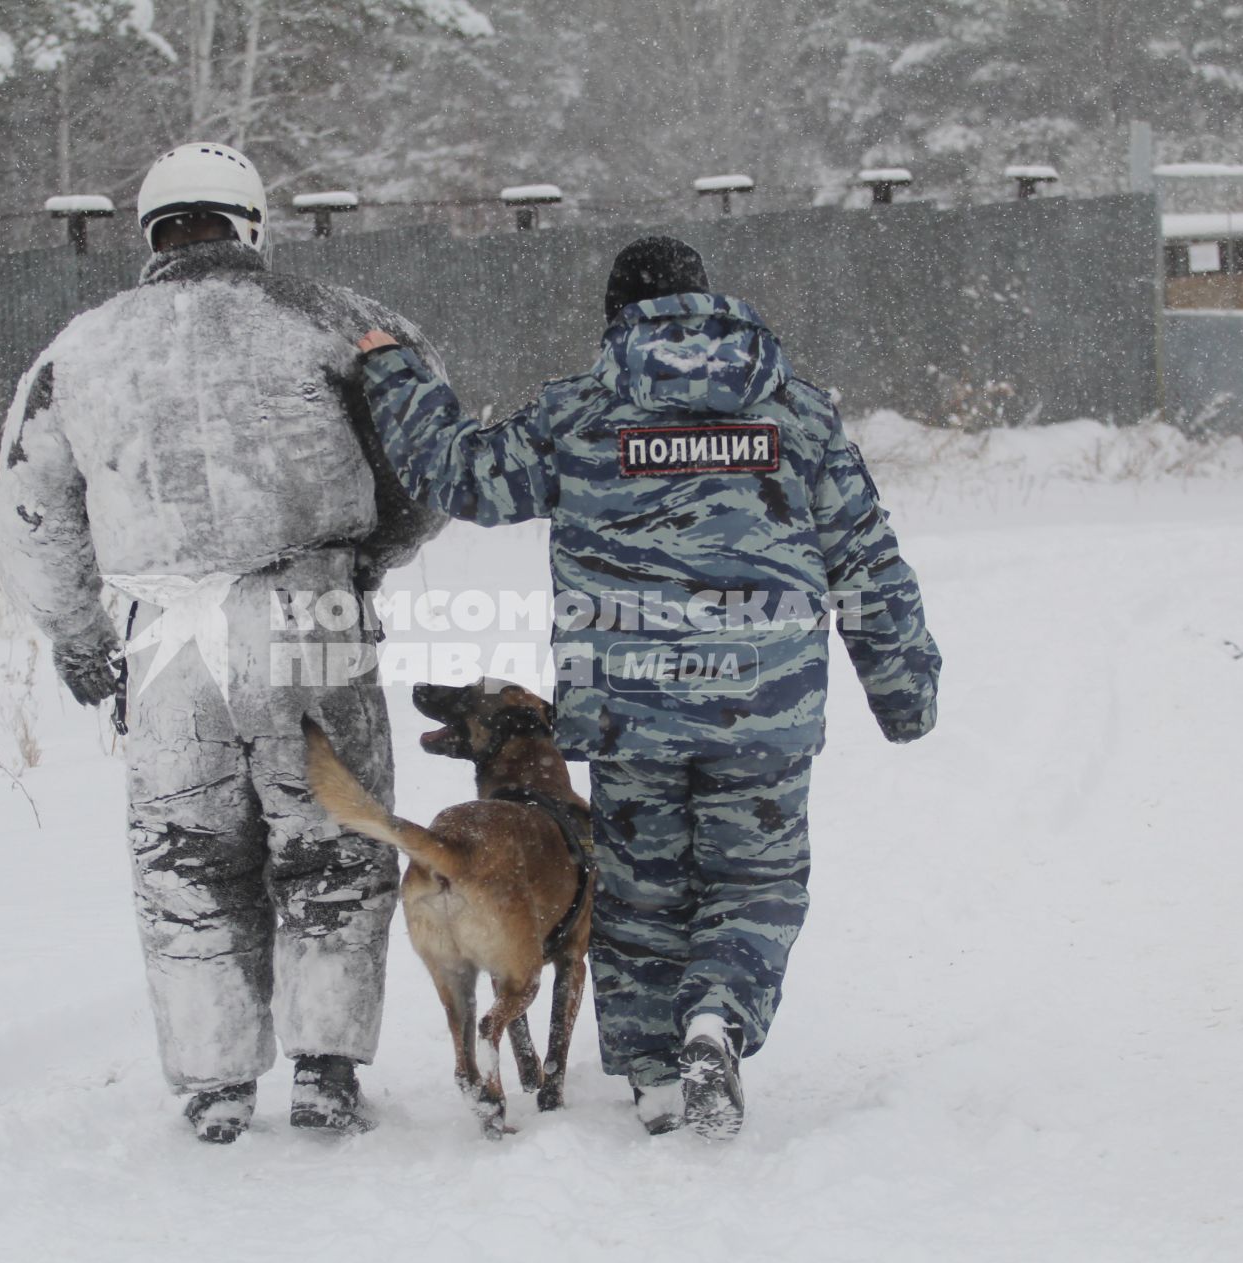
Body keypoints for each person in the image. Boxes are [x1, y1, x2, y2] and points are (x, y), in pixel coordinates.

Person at [354, 236, 940, 1141]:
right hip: (765, 709)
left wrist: (390, 370)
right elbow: (866, 561)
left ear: (616, 317)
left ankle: (657, 1076)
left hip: (630, 711)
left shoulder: (583, 411)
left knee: (641, 894)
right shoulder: (799, 413)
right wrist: (903, 689)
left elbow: (457, 472)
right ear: (708, 301)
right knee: (756, 883)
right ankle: (718, 1021)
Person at [0, 142, 445, 1144]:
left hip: (166, 637)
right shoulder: (337, 320)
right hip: (308, 608)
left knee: (189, 856)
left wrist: (77, 636)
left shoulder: (79, 351)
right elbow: (429, 452)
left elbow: (33, 513)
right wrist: (369, 557)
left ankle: (213, 1080)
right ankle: (324, 1064)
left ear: (151, 231)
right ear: (251, 223)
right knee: (333, 842)